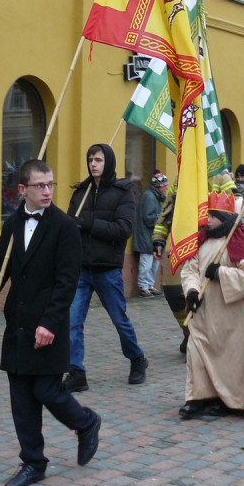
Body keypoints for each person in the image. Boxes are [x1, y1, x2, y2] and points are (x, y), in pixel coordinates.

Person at [0, 159, 102, 486]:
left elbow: (67, 282)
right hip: (18, 323)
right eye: (40, 186)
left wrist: (50, 322)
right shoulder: (13, 224)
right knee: (21, 397)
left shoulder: (64, 227)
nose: (47, 191)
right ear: (23, 190)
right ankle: (33, 462)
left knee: (46, 389)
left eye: (50, 184)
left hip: (49, 323)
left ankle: (86, 422)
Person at [179, 173, 244, 419]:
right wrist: (191, 291)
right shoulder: (201, 240)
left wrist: (220, 272)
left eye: (212, 216)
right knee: (195, 350)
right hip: (204, 310)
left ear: (223, 218)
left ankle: (229, 399)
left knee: (227, 358)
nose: (207, 220)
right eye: (207, 215)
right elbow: (190, 269)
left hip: (229, 316)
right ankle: (197, 397)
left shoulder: (238, 239)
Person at [65, 144, 148, 391]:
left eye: (98, 160)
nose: (93, 164)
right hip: (81, 268)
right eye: (90, 159)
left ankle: (137, 359)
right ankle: (76, 371)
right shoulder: (81, 192)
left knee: (119, 320)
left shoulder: (123, 192)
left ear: (108, 162)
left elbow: (123, 229)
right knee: (72, 320)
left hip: (107, 268)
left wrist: (90, 222)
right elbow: (71, 224)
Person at [152, 183, 191, 355]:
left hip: (210, 245)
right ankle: (188, 333)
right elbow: (166, 213)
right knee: (173, 291)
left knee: (202, 296)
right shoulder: (179, 182)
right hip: (181, 246)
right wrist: (159, 238)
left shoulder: (220, 176)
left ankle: (201, 341)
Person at [133, 172, 167, 298]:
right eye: (165, 185)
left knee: (154, 263)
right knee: (146, 264)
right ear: (160, 186)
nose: (166, 188)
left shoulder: (155, 196)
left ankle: (150, 285)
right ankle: (143, 287)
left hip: (152, 237)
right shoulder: (150, 197)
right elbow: (148, 218)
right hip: (147, 236)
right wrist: (162, 219)